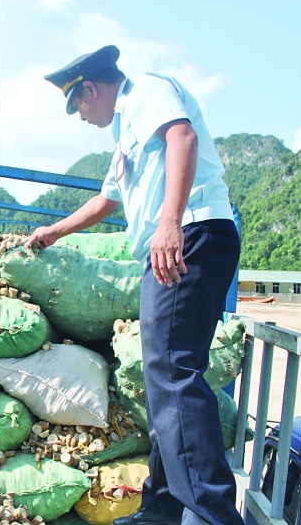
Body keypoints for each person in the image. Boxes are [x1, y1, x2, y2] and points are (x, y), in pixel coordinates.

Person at [28, 46, 243, 525]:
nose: (81, 116)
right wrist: (55, 231)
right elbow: (107, 199)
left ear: (91, 89)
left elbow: (182, 138)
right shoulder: (125, 133)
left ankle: (214, 515)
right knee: (164, 377)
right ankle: (161, 509)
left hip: (189, 236)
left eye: (78, 105)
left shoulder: (145, 91)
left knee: (173, 375)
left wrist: (169, 223)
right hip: (173, 244)